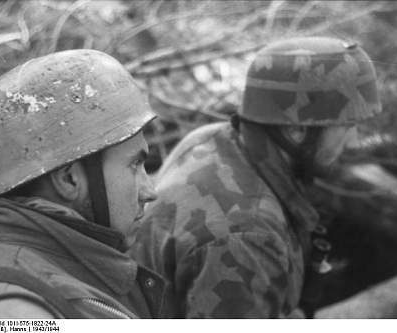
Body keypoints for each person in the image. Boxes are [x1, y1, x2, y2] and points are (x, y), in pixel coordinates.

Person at [130, 36, 382, 318]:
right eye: (347, 126)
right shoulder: (248, 237)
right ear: (297, 130)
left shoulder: (210, 138)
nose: (354, 142)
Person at [0, 49, 165, 318]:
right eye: (134, 165)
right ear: (69, 179)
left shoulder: (72, 271)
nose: (150, 192)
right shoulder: (14, 313)